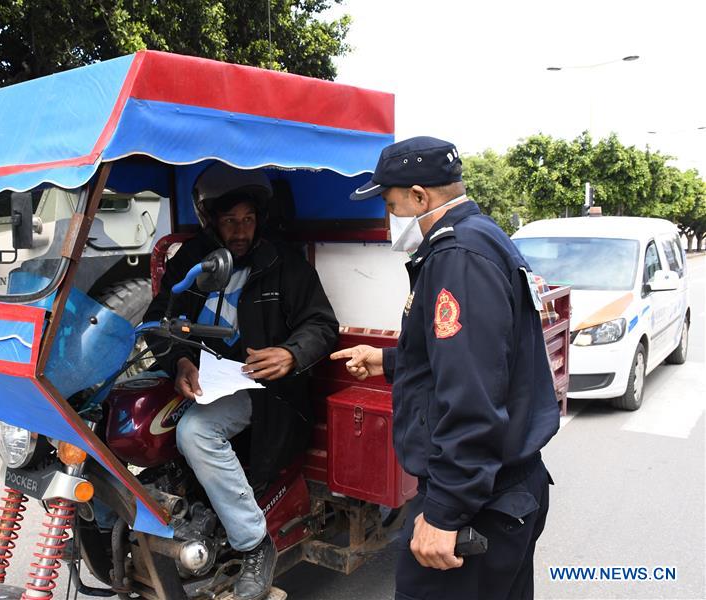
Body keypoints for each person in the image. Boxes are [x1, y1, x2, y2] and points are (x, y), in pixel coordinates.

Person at [331, 136, 560, 600]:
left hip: (481, 502)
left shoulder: (458, 257)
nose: (390, 218)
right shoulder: (480, 236)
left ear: (420, 196)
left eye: (392, 205)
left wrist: (444, 512)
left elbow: (473, 398)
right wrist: (388, 360)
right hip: (504, 490)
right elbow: (476, 359)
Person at [143, 162, 339, 600]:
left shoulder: (282, 263)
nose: (240, 231)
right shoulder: (192, 261)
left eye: (248, 220)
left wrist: (290, 353)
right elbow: (159, 318)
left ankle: (254, 544)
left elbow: (322, 325)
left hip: (266, 389)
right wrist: (179, 361)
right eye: (230, 221)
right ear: (211, 221)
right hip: (203, 380)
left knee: (196, 432)